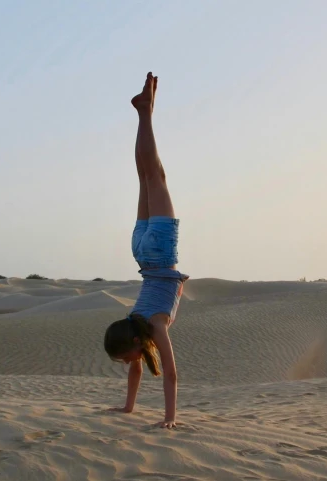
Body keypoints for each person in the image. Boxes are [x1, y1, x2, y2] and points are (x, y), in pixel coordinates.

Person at [103, 72, 188, 429]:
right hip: (139, 251)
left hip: (158, 252)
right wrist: (128, 408)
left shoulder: (154, 325)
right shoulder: (134, 321)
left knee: (155, 176)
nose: (129, 364)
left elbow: (171, 374)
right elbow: (140, 372)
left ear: (136, 342)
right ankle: (144, 113)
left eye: (126, 358)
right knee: (145, 175)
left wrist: (169, 419)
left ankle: (145, 114)